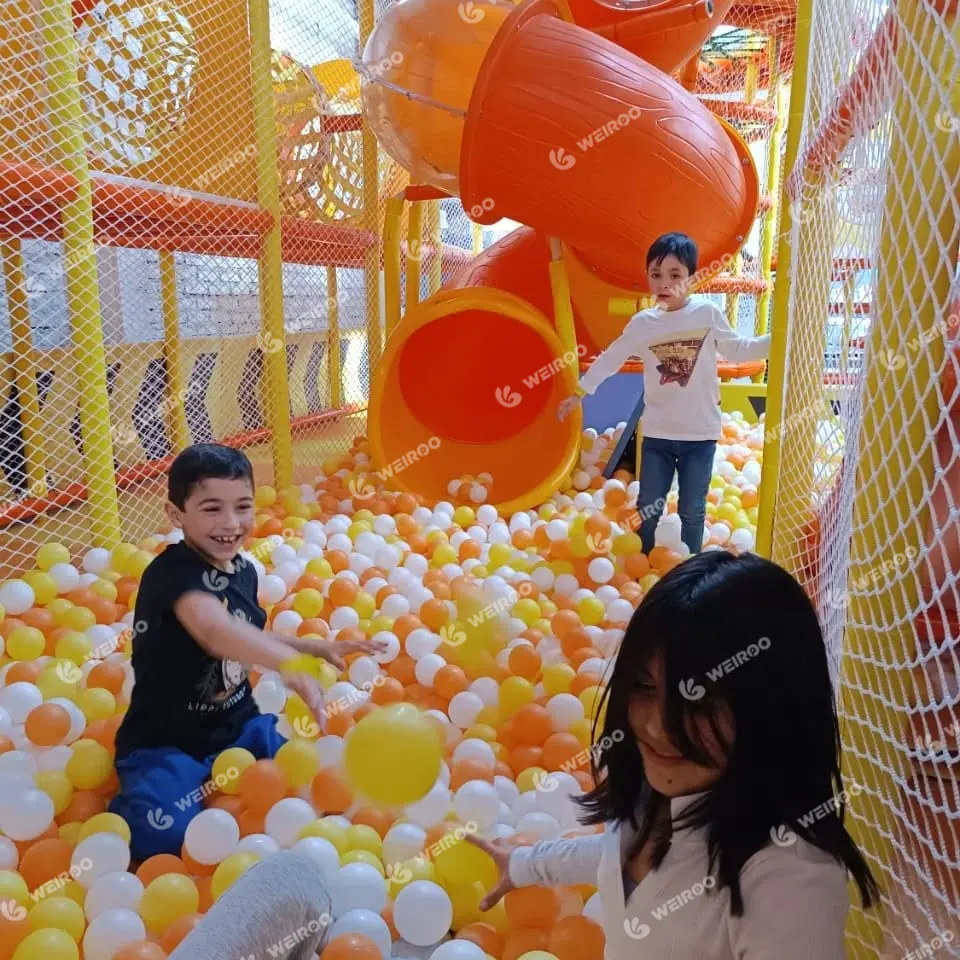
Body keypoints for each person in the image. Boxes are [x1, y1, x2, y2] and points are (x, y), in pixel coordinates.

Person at [466, 551, 879, 960]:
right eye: (644, 687)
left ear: (773, 711)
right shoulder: (657, 794)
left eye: (699, 701)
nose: (657, 727)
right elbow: (615, 859)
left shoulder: (787, 886)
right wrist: (525, 865)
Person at [111, 443, 382, 861]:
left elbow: (243, 632)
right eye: (212, 509)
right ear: (175, 515)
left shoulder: (242, 570)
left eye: (242, 507)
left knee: (315, 792)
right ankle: (134, 800)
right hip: (166, 742)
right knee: (162, 841)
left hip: (238, 728)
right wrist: (287, 662)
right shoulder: (168, 576)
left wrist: (308, 645)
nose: (231, 523)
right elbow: (213, 628)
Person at [559, 233, 771, 556]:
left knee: (692, 509)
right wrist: (579, 392)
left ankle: (691, 569)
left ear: (691, 277)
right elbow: (612, 357)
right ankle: (642, 559)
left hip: (700, 436)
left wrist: (780, 337)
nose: (664, 284)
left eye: (675, 275)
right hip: (658, 435)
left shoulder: (706, 315)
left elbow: (739, 349)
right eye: (656, 275)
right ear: (647, 278)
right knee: (648, 506)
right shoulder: (643, 324)